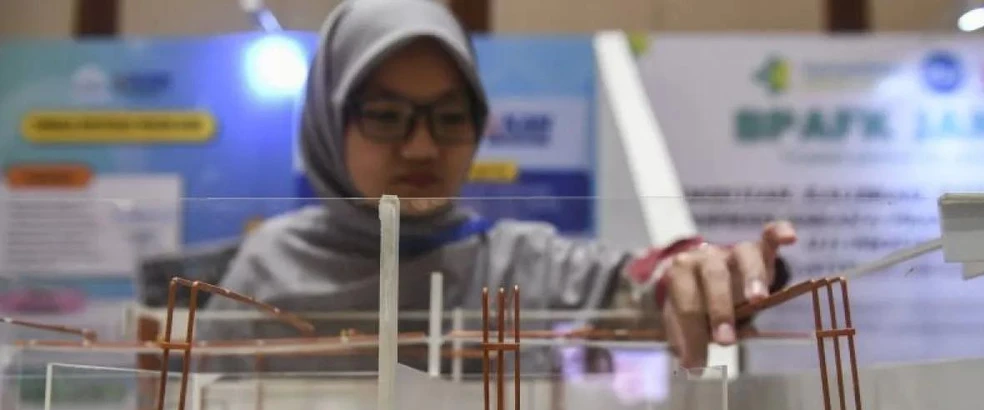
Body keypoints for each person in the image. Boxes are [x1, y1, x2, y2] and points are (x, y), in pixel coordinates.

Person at [208, 0, 796, 371]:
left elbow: (640, 284)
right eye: (386, 115)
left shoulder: (517, 261)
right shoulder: (268, 271)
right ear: (329, 124)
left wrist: (705, 275)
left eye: (450, 117)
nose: (421, 147)